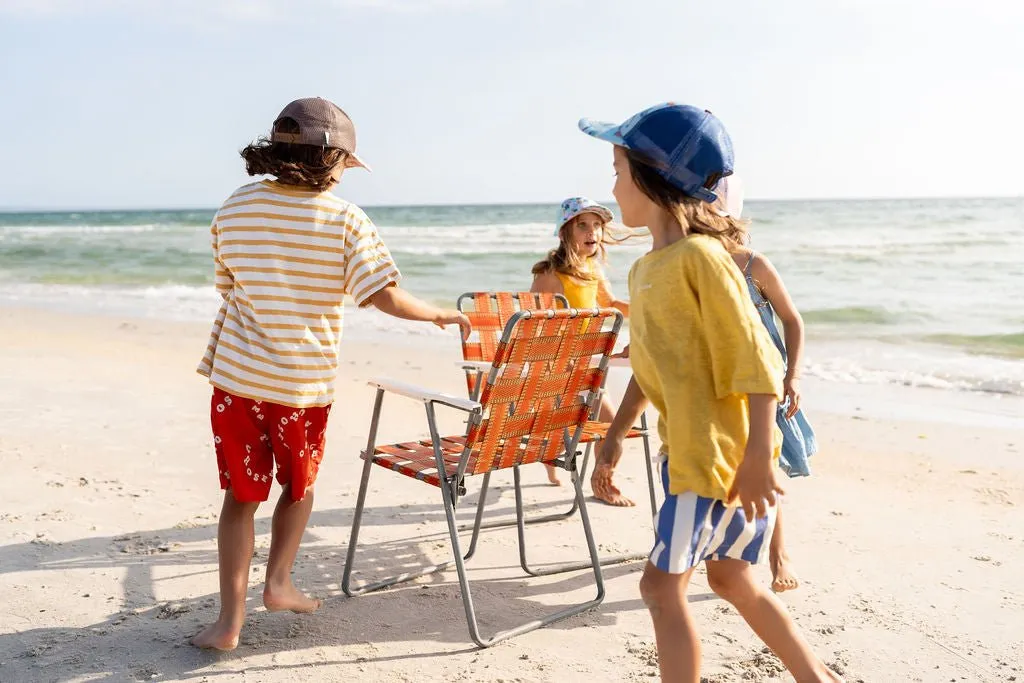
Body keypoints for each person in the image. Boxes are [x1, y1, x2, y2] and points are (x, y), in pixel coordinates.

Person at [192, 97, 470, 651]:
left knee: (239, 498)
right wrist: (439, 313)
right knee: (297, 488)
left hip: (237, 379)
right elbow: (383, 295)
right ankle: (279, 582)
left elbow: (228, 284)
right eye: (346, 164)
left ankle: (228, 623)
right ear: (333, 159)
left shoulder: (236, 205)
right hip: (300, 387)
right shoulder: (345, 219)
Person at [583, 103, 839, 682]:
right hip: (696, 457)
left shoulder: (702, 259)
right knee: (730, 578)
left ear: (651, 176)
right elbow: (652, 372)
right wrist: (616, 437)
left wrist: (755, 458)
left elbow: (757, 361)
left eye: (618, 169)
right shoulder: (646, 270)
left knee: (658, 586)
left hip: (718, 460)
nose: (612, 184)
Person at [715, 175, 818, 593]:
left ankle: (778, 553)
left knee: (766, 464)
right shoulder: (690, 265)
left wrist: (793, 375)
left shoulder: (753, 264)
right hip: (717, 383)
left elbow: (792, 321)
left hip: (762, 382)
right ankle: (716, 546)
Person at [529, 197, 631, 500]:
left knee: (602, 424)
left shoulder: (593, 269)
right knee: (603, 424)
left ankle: (592, 476)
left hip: (589, 364)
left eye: (597, 226)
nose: (593, 232)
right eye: (583, 225)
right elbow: (536, 326)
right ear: (565, 232)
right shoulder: (549, 274)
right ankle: (594, 480)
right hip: (560, 367)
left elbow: (610, 304)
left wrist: (651, 309)